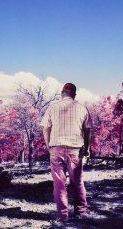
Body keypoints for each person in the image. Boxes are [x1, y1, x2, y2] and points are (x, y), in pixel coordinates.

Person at [40, 83, 92, 222]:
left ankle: (62, 215)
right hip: (76, 150)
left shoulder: (52, 107)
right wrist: (86, 148)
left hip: (56, 149)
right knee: (78, 182)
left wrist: (48, 146)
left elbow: (45, 128)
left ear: (62, 93)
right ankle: (81, 212)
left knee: (59, 183)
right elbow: (87, 131)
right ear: (74, 95)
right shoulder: (82, 108)